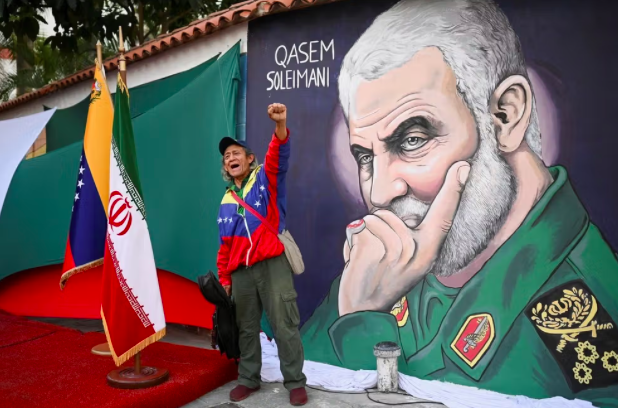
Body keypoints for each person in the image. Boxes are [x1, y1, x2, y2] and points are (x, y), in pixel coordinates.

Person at [299, 0, 618, 406]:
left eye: (412, 140)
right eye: (365, 156)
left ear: (506, 117)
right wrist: (357, 312)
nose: (378, 194)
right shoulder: (380, 266)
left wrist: (360, 324)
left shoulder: (585, 317)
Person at [216, 103, 308, 406]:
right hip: (241, 273)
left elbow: (278, 156)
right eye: (227, 156)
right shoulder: (226, 200)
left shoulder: (264, 179)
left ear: (249, 158)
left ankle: (295, 381)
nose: (231, 158)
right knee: (246, 328)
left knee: (284, 324)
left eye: (236, 153)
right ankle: (248, 379)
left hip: (272, 265)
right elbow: (225, 246)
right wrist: (225, 279)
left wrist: (280, 126)